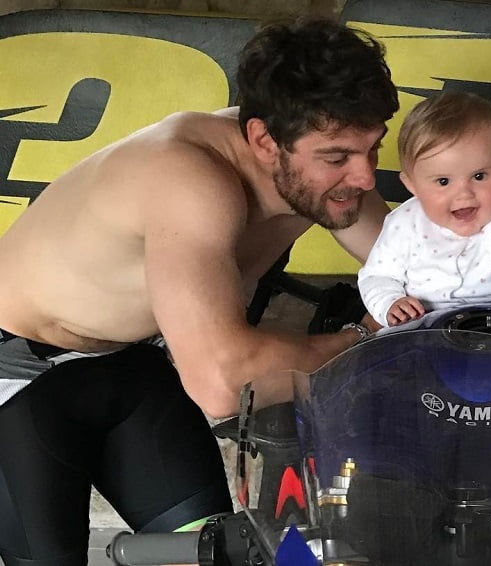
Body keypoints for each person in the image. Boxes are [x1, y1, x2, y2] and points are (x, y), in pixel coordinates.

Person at [0, 18, 398, 566]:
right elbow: (221, 383)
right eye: (337, 157)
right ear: (264, 140)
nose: (365, 177)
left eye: (372, 148)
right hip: (18, 373)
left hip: (130, 363)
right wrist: (359, 338)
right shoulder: (189, 177)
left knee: (208, 553)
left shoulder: (318, 176)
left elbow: (424, 277)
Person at [358, 91, 491, 332]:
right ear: (412, 185)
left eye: (479, 176)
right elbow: (377, 276)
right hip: (426, 326)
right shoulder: (403, 224)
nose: (464, 194)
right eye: (443, 181)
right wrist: (390, 303)